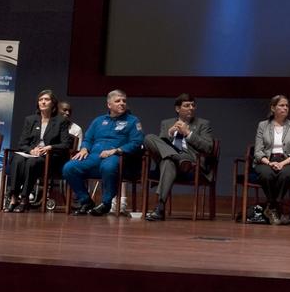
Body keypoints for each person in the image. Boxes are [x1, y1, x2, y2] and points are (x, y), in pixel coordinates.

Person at [62, 89, 144, 217]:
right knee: (69, 167)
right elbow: (88, 139)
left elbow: (136, 142)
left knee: (108, 166)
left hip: (116, 157)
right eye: (118, 101)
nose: (122, 103)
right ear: (109, 105)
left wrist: (116, 150)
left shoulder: (133, 121)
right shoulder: (98, 121)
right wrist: (84, 148)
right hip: (94, 157)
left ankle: (106, 203)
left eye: (124, 101)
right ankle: (86, 201)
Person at [143, 93, 215, 221]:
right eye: (187, 105)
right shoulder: (166, 123)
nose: (191, 108)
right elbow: (159, 146)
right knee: (149, 138)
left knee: (167, 161)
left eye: (193, 105)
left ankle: (159, 208)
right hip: (178, 161)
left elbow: (208, 147)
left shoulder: (203, 124)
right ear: (178, 109)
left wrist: (188, 133)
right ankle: (178, 158)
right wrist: (169, 134)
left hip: (191, 163)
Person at [3, 89, 72, 212]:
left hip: (50, 157)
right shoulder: (30, 119)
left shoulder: (61, 121)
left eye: (46, 99)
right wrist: (31, 150)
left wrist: (49, 147)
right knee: (17, 158)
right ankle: (13, 197)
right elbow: (22, 143)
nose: (43, 102)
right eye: (41, 100)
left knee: (31, 163)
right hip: (32, 153)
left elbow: (65, 144)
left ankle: (24, 199)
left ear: (53, 103)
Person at [252, 95, 290, 225]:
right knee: (266, 174)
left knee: (285, 174)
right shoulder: (263, 125)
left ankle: (272, 207)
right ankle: (276, 208)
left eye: (287, 105)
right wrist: (269, 163)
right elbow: (258, 151)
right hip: (267, 160)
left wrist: (282, 163)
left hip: (287, 160)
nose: (285, 108)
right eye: (281, 105)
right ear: (273, 108)